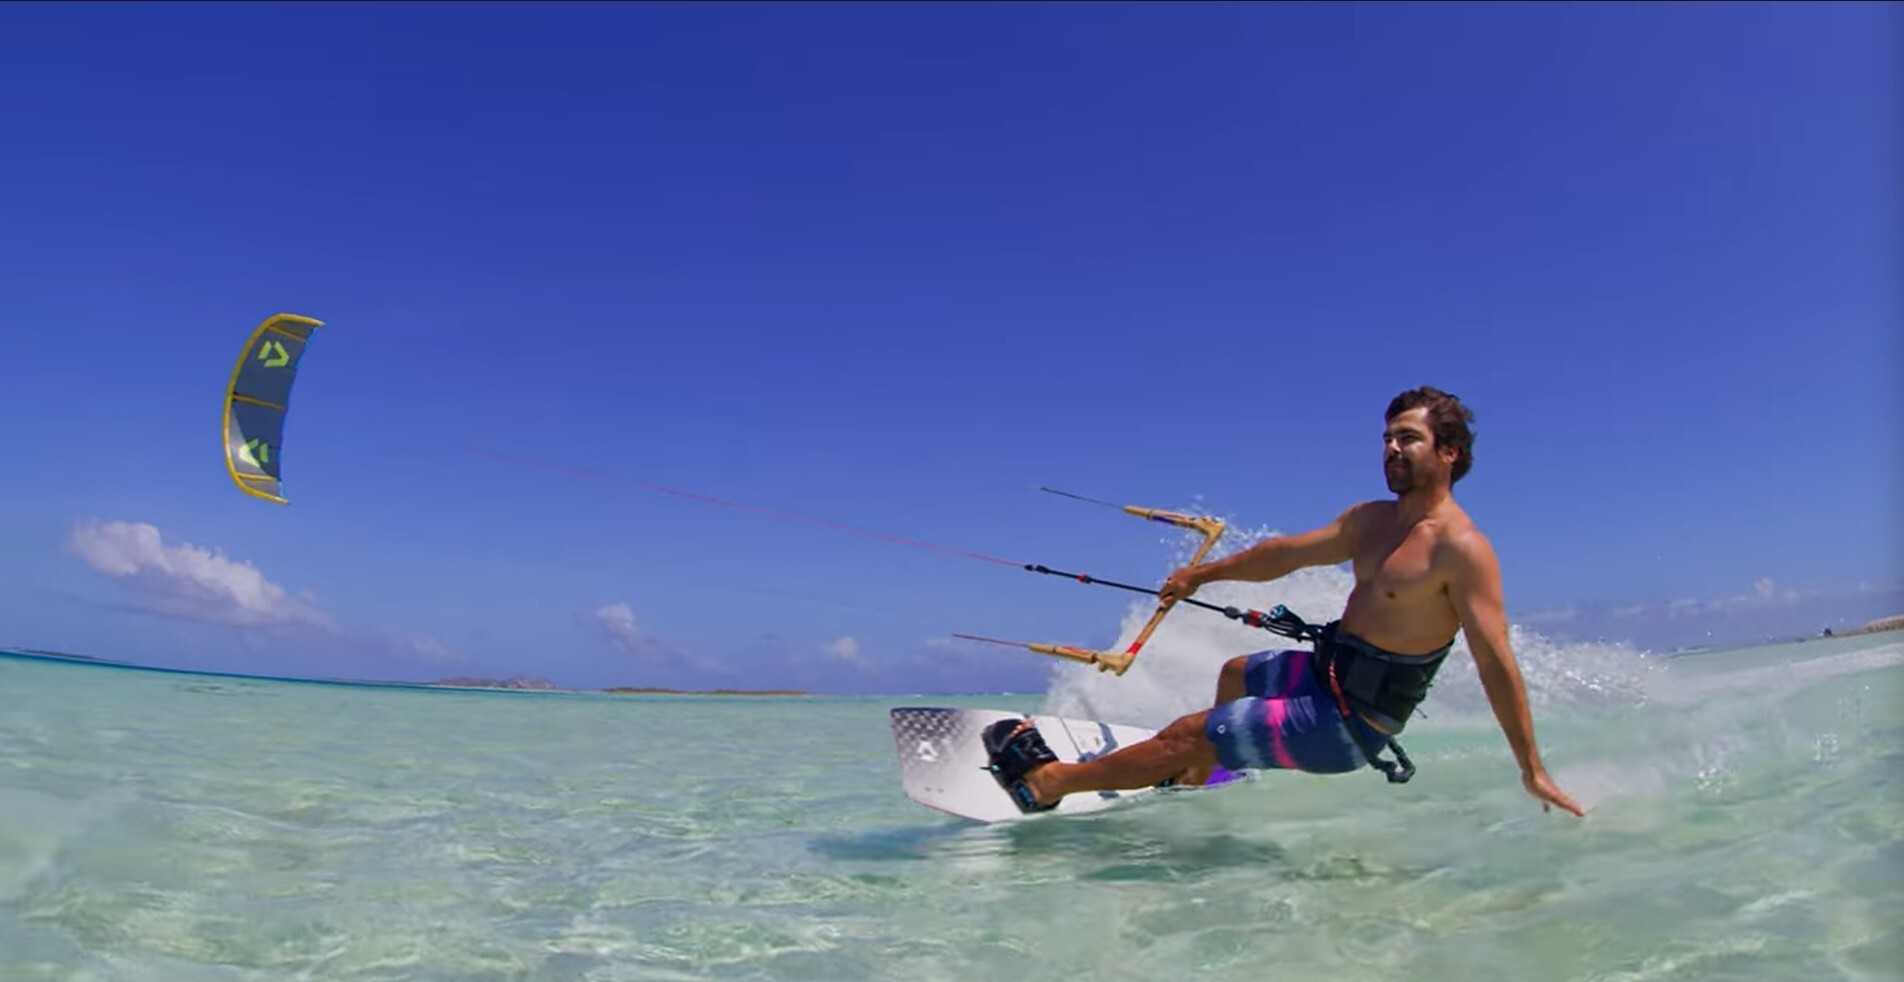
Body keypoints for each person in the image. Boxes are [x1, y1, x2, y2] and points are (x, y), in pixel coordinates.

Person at [982, 386, 1587, 818]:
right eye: (1386, 438)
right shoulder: (1372, 521)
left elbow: (1495, 663)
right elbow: (1284, 555)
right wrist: (1204, 575)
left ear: (1448, 452)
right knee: (1235, 673)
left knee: (1188, 732)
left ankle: (1049, 783)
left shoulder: (1462, 550)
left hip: (1349, 724)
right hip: (1328, 676)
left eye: (1408, 438)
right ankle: (1197, 773)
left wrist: (1531, 768)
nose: (1391, 449)